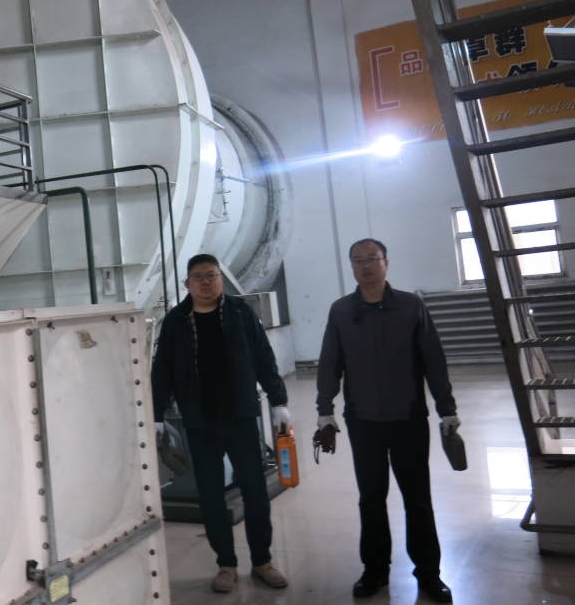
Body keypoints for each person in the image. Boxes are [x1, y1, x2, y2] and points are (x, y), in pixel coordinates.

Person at [316, 238, 459, 603]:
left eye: (372, 258)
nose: (366, 265)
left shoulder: (411, 306)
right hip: (363, 421)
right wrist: (324, 410)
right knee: (371, 498)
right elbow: (330, 362)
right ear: (352, 267)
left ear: (386, 263)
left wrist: (447, 408)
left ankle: (428, 574)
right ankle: (375, 571)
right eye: (358, 260)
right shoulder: (341, 311)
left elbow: (433, 359)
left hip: (408, 418)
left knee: (418, 498)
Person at [151, 253, 290, 593]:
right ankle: (225, 564)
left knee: (255, 491)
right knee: (211, 496)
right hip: (199, 423)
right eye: (198, 277)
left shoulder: (241, 313)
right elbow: (162, 370)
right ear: (187, 283)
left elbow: (263, 357)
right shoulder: (176, 321)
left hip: (240, 417)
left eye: (211, 275)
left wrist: (279, 400)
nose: (206, 282)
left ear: (221, 279)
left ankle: (262, 561)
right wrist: (155, 414)